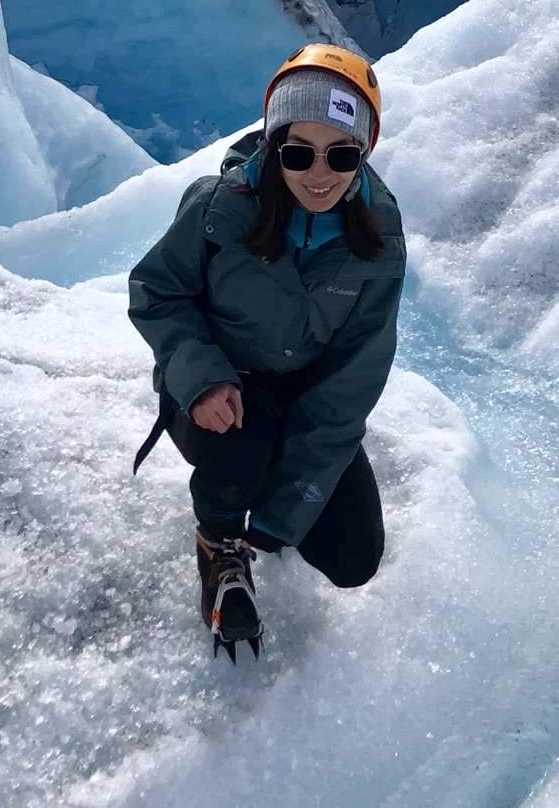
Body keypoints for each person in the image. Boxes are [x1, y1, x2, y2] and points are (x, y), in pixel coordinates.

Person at [128, 44, 406, 659]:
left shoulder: (377, 241)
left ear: (363, 154)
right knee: (242, 451)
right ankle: (218, 540)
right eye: (298, 151)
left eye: (341, 153)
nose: (319, 172)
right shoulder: (219, 207)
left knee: (353, 559)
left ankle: (260, 497)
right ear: (274, 144)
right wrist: (199, 379)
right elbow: (157, 292)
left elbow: (350, 384)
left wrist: (285, 514)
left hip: (301, 397)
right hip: (218, 391)